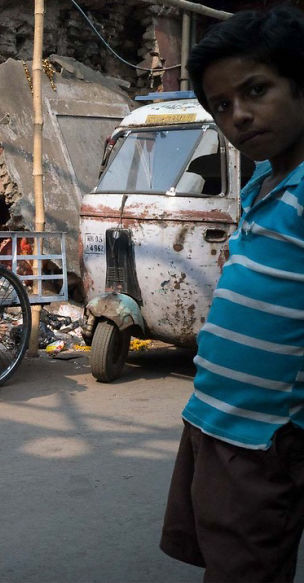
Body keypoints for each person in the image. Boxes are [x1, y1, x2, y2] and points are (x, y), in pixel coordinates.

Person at [159, 6, 304, 582]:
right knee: (225, 557)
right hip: (215, 420)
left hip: (267, 433)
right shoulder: (267, 183)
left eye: (256, 90)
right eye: (221, 105)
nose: (238, 115)